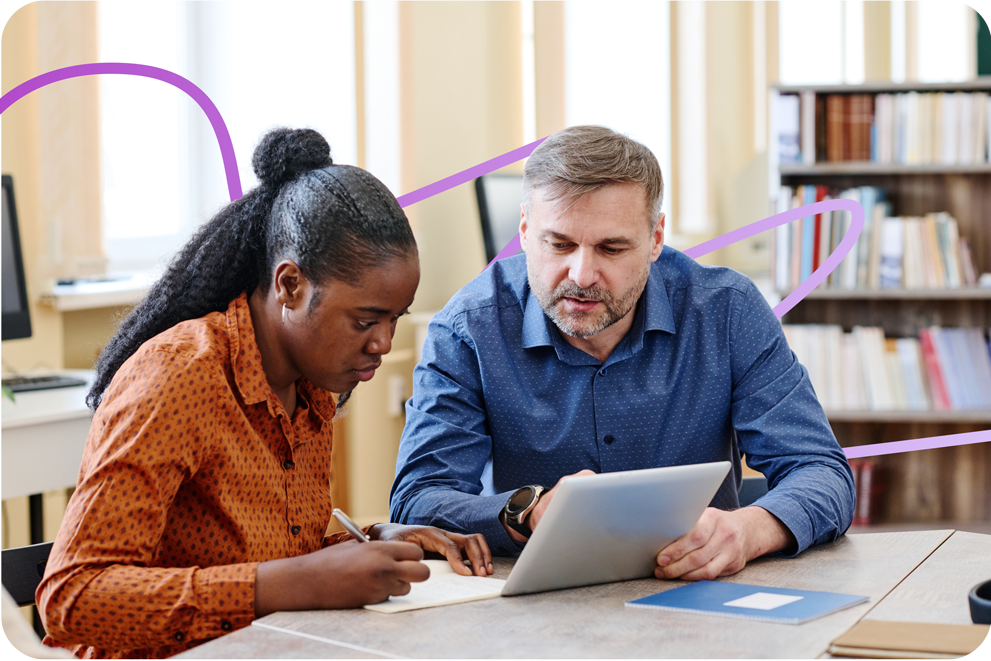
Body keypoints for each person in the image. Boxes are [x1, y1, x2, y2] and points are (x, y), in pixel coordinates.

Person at [37, 128, 492, 659]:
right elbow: (72, 598)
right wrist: (296, 582)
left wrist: (375, 542)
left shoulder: (312, 388)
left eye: (395, 319)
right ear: (290, 286)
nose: (384, 344)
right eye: (366, 320)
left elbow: (271, 556)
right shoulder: (176, 379)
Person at [391, 125, 855, 581]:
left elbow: (820, 470)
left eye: (611, 248)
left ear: (655, 239)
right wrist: (527, 511)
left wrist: (750, 529)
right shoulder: (468, 328)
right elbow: (418, 498)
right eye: (559, 244)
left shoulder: (727, 312)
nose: (582, 273)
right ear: (526, 230)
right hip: (536, 614)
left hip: (702, 601)